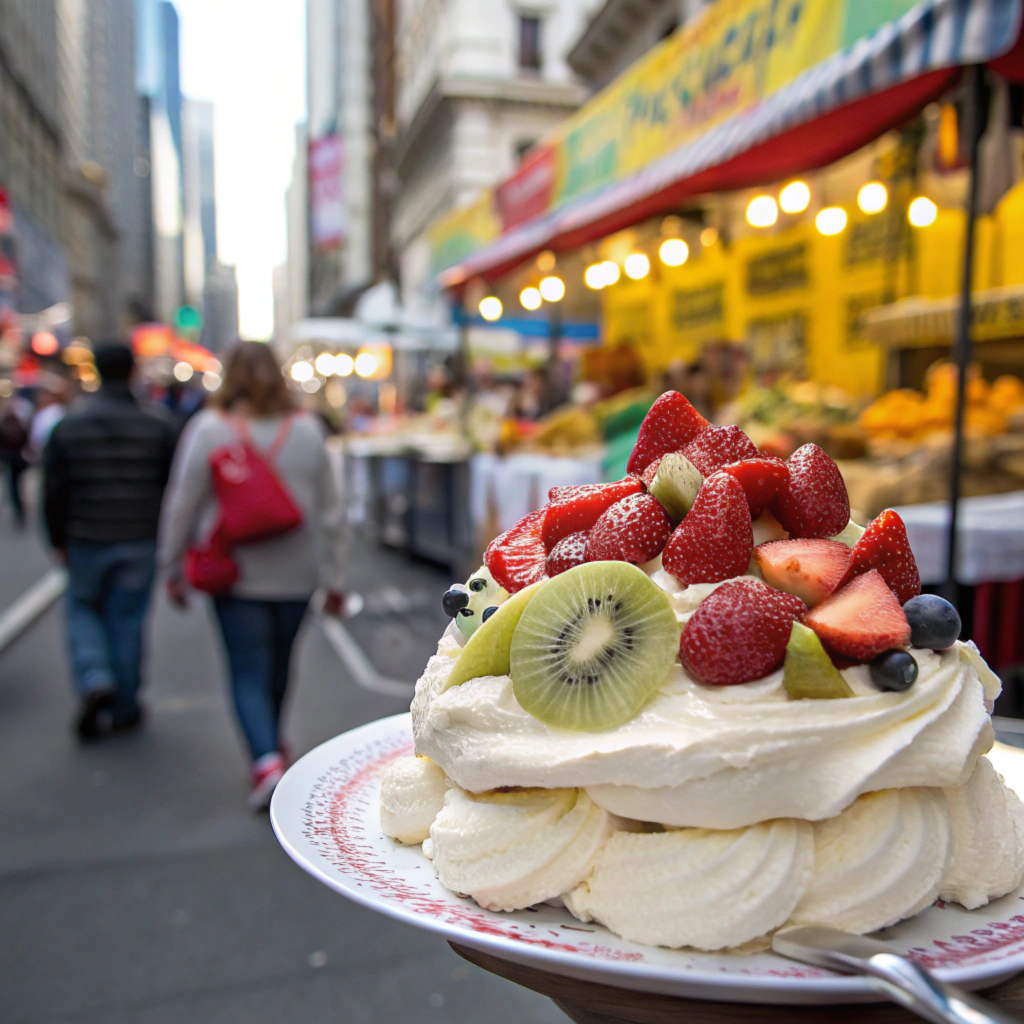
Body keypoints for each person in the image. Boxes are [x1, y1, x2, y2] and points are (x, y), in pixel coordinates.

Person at [158, 341, 347, 810]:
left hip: (236, 574)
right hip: (298, 572)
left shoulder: (207, 429)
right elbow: (333, 511)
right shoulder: (308, 429)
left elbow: (182, 504)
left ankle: (264, 759)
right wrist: (337, 578)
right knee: (281, 666)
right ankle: (273, 745)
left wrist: (170, 567)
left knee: (247, 668)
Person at [43, 342, 179, 740]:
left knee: (82, 609)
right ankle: (124, 703)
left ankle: (94, 675)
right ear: (133, 371)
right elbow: (172, 488)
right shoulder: (157, 425)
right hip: (138, 538)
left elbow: (55, 490)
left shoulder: (68, 426)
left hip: (86, 537)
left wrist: (57, 538)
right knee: (128, 621)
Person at [0, 392, 29, 528]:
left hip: (11, 460)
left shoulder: (7, 422)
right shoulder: (20, 422)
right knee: (15, 486)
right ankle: (19, 510)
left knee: (13, 486)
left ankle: (18, 509)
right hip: (17, 460)